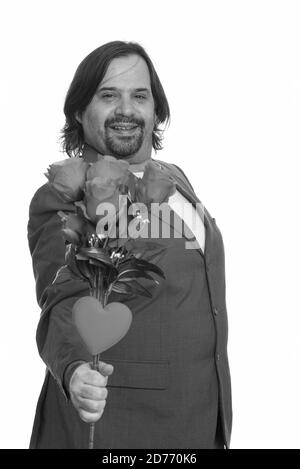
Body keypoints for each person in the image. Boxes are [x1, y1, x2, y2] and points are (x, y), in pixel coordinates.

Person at [27, 41, 232, 449]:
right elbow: (60, 298)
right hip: (116, 429)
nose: (126, 109)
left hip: (198, 417)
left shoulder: (173, 178)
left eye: (140, 96)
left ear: (156, 110)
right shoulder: (66, 196)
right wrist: (73, 371)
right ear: (80, 112)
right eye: (108, 95)